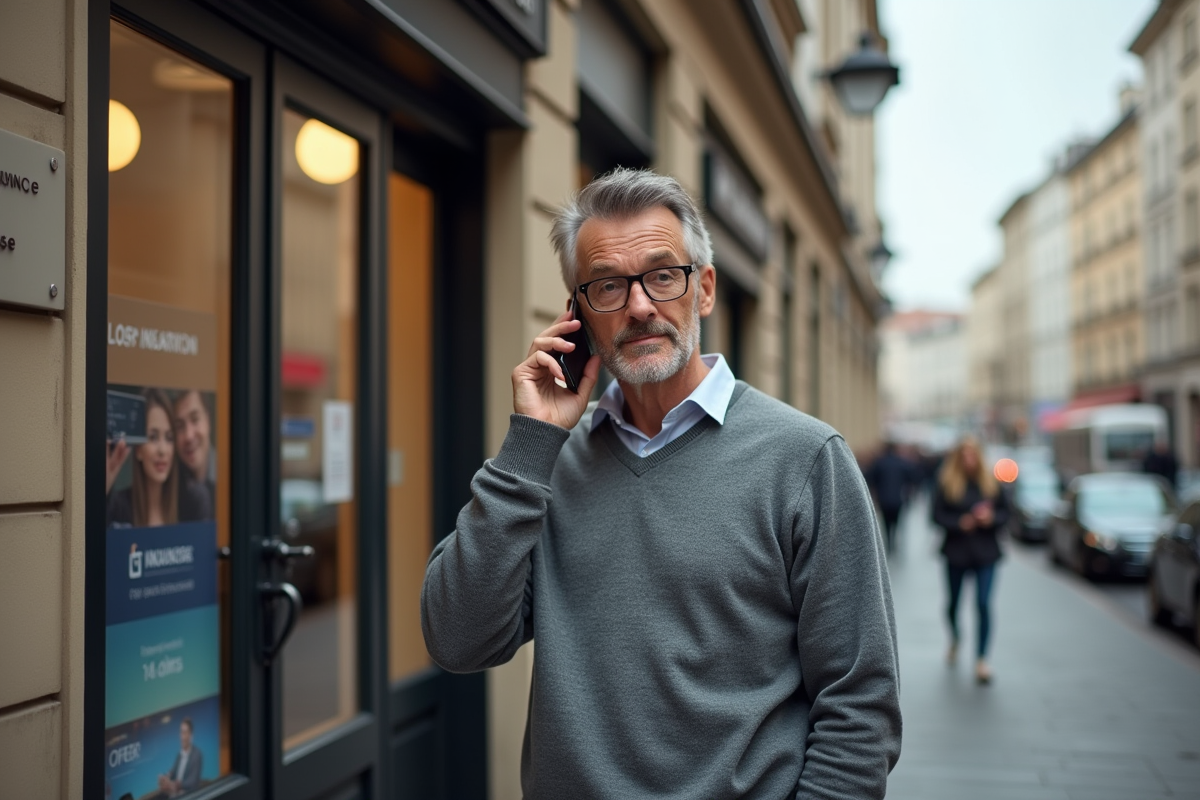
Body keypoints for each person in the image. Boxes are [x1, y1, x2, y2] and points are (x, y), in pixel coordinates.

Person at [421, 168, 901, 800]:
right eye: (608, 286)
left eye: (662, 276)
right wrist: (530, 444)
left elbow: (860, 709)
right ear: (579, 315)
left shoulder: (806, 459)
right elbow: (457, 640)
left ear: (702, 289)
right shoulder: (543, 467)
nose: (640, 306)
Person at [931, 435, 1010, 685]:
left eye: (973, 454)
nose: (969, 460)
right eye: (964, 455)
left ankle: (982, 659)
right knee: (954, 603)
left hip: (986, 552)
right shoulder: (947, 482)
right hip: (956, 552)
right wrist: (959, 523)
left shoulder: (991, 483)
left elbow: (1006, 513)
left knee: (984, 603)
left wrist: (991, 519)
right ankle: (955, 637)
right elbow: (935, 516)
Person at [106, 388, 209, 528]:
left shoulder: (192, 502)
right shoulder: (117, 507)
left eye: (169, 438)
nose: (162, 450)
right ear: (138, 449)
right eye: (153, 437)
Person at [172, 389, 216, 521]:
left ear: (208, 421)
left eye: (195, 419)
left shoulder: (230, 479)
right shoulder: (169, 490)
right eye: (179, 426)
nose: (188, 436)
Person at [865, 441, 916, 552]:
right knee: (896, 522)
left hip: (883, 499)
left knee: (886, 523)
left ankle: (889, 544)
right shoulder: (901, 463)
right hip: (898, 499)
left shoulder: (879, 463)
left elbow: (871, 480)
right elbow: (911, 479)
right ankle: (894, 542)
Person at [157, 717, 202, 797]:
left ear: (190, 735)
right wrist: (166, 777)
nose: (182, 737)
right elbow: (172, 772)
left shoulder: (197, 754)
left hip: (187, 794)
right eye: (181, 732)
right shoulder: (179, 755)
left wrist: (176, 785)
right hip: (175, 792)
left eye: (184, 733)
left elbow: (193, 781)